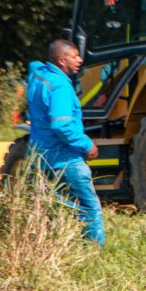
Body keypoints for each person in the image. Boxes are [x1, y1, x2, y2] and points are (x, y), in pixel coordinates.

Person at [27, 39, 104, 246]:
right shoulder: (60, 85)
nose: (79, 60)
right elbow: (61, 125)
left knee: (61, 206)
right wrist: (86, 144)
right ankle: (95, 254)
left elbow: (32, 64)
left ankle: (62, 246)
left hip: (40, 156)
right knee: (89, 208)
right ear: (62, 60)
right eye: (75, 56)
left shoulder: (39, 75)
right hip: (65, 158)